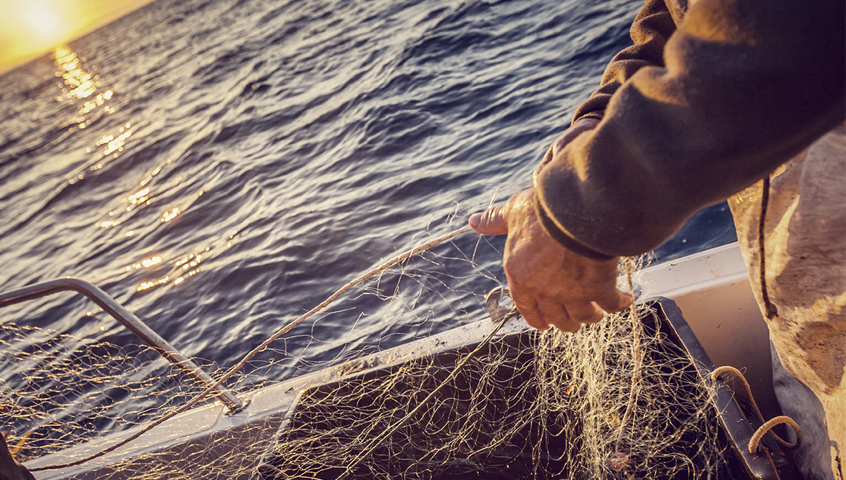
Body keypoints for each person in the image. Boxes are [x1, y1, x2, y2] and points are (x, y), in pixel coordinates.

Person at [468, 0, 845, 477]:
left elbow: (786, 30)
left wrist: (581, 207)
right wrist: (600, 119)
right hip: (800, 301)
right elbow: (687, 17)